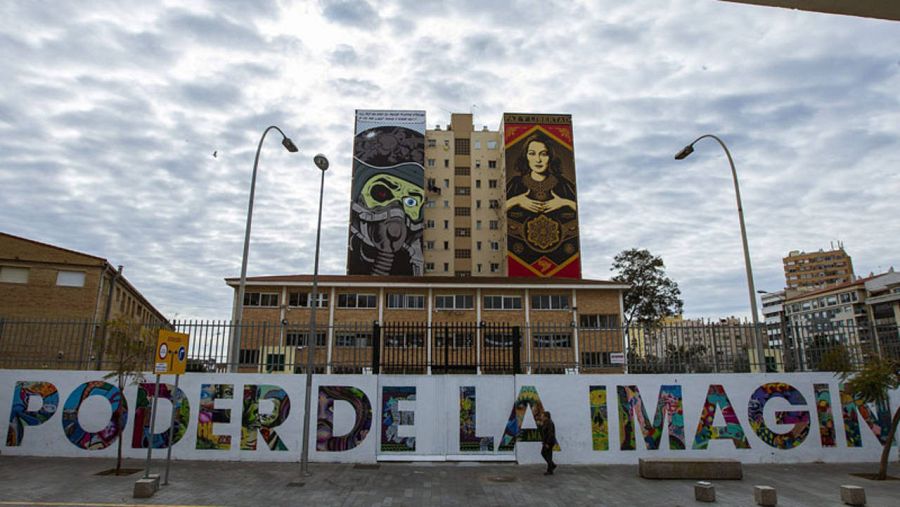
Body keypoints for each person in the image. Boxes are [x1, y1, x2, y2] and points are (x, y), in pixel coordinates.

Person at [505, 133, 577, 215]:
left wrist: (564, 202)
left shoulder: (563, 184)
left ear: (550, 157)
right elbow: (499, 209)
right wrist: (517, 200)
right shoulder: (515, 183)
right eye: (532, 153)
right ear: (526, 156)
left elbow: (580, 208)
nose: (538, 160)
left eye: (543, 154)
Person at [540, 411, 558, 475]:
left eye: (542, 416)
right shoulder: (545, 423)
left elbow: (550, 434)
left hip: (549, 442)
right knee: (544, 454)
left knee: (548, 455)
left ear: (546, 417)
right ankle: (552, 466)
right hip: (546, 442)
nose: (541, 417)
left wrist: (548, 443)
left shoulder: (549, 423)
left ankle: (550, 469)